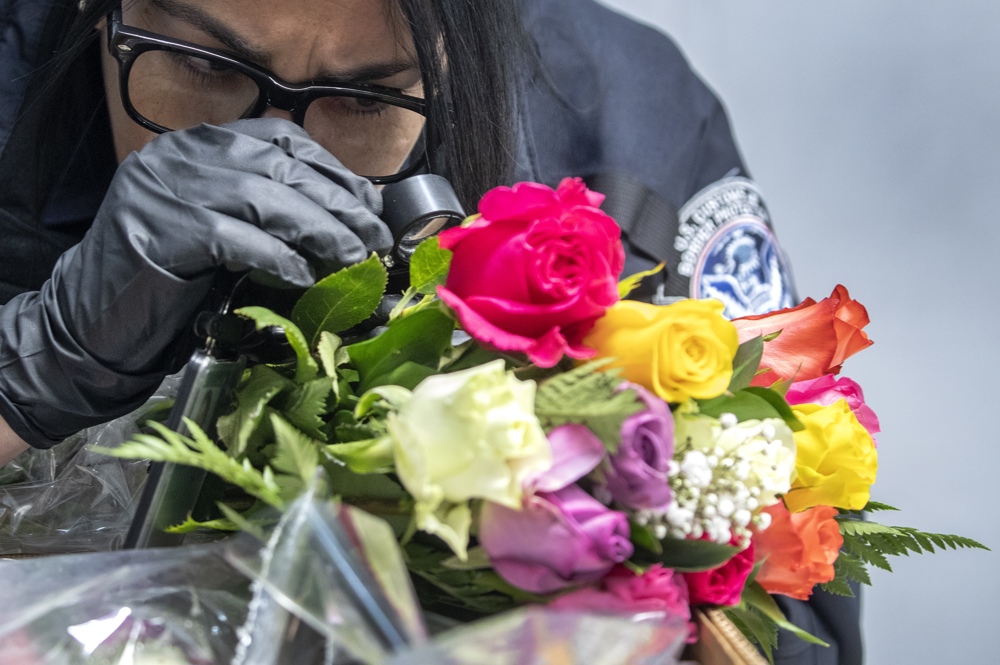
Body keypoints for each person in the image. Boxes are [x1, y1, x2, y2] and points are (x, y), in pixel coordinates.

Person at [0, 0, 853, 662]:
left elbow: (795, 613)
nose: (270, 155)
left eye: (362, 100)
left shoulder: (624, 134)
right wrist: (35, 364)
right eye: (199, 67)